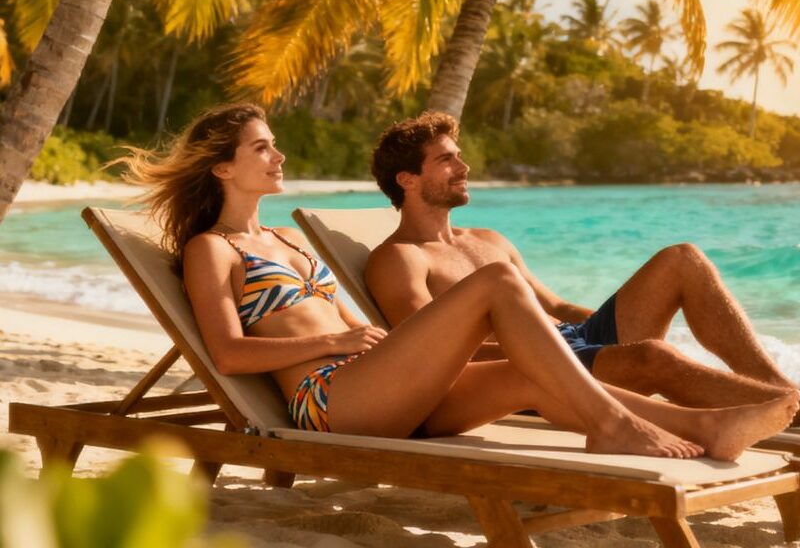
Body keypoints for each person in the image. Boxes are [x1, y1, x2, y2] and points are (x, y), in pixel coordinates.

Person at [122, 102, 796, 461]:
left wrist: (361, 342)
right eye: (261, 147)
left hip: (379, 380)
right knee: (498, 285)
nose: (279, 155)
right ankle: (616, 425)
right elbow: (229, 354)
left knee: (534, 375)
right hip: (330, 399)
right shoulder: (213, 249)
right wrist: (333, 345)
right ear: (221, 168)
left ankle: (707, 426)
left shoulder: (286, 239)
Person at [366, 112, 800, 415]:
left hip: (575, 343)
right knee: (653, 357)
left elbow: (555, 306)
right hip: (530, 371)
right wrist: (548, 351)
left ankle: (780, 390)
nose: (465, 166)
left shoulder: (487, 239)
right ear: (408, 179)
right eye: (447, 160)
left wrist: (609, 340)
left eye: (459, 155)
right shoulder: (398, 259)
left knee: (682, 259)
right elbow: (426, 355)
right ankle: (786, 412)